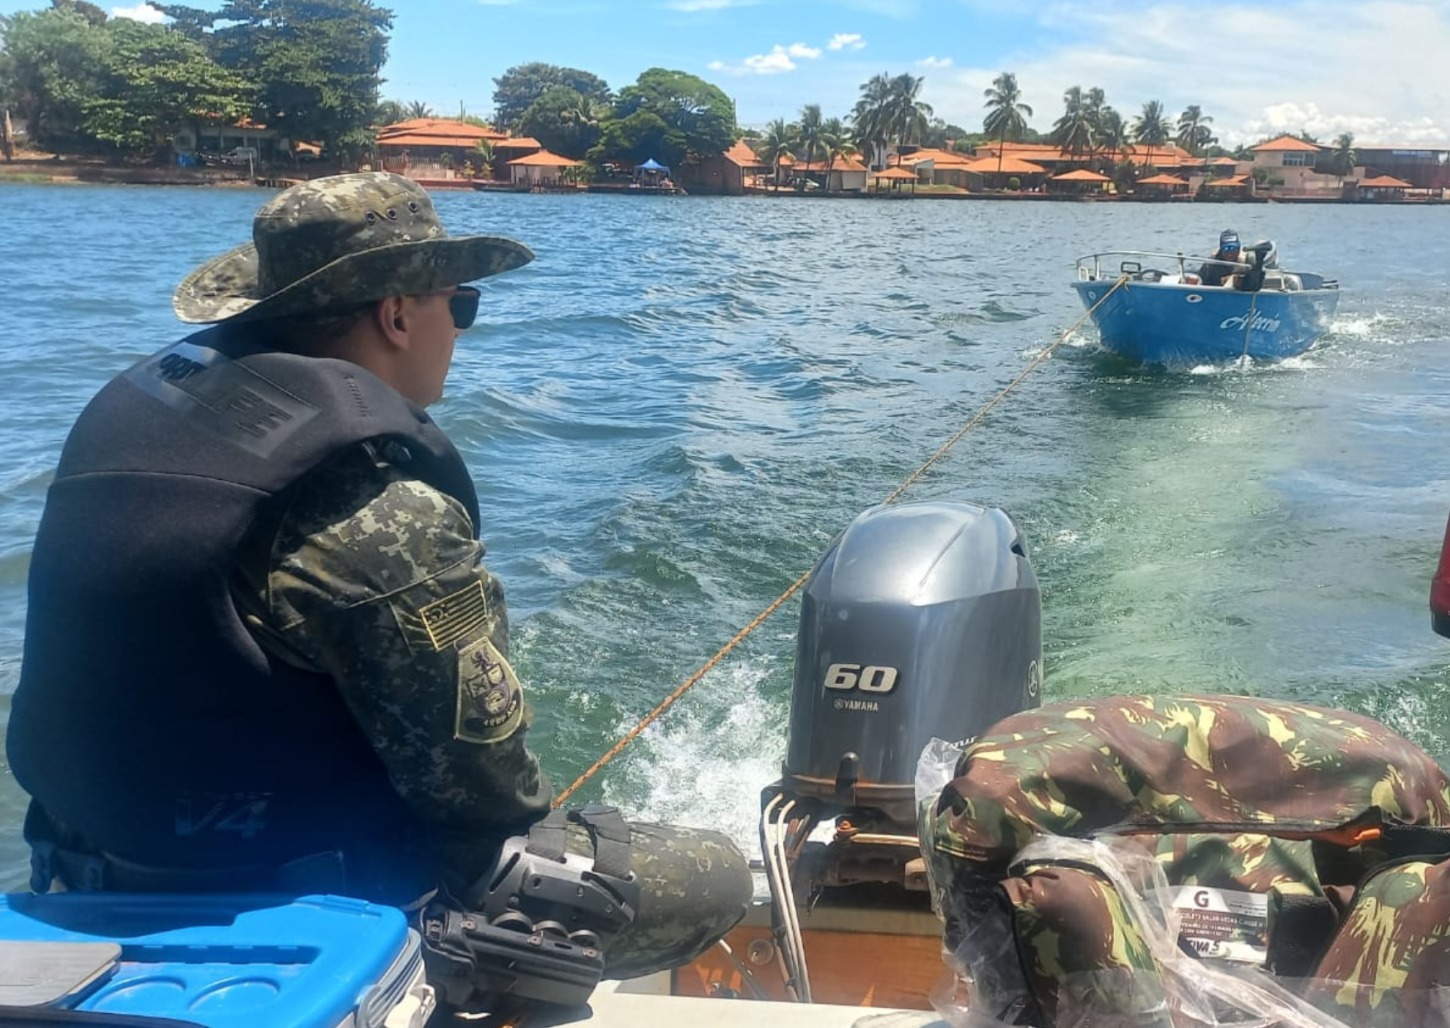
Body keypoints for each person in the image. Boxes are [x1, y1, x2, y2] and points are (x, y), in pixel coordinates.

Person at [6, 171, 751, 983]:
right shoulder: (379, 513)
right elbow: (485, 806)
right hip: (297, 899)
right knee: (716, 872)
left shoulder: (150, 416)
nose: (461, 331)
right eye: (459, 305)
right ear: (397, 314)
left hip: (82, 866)